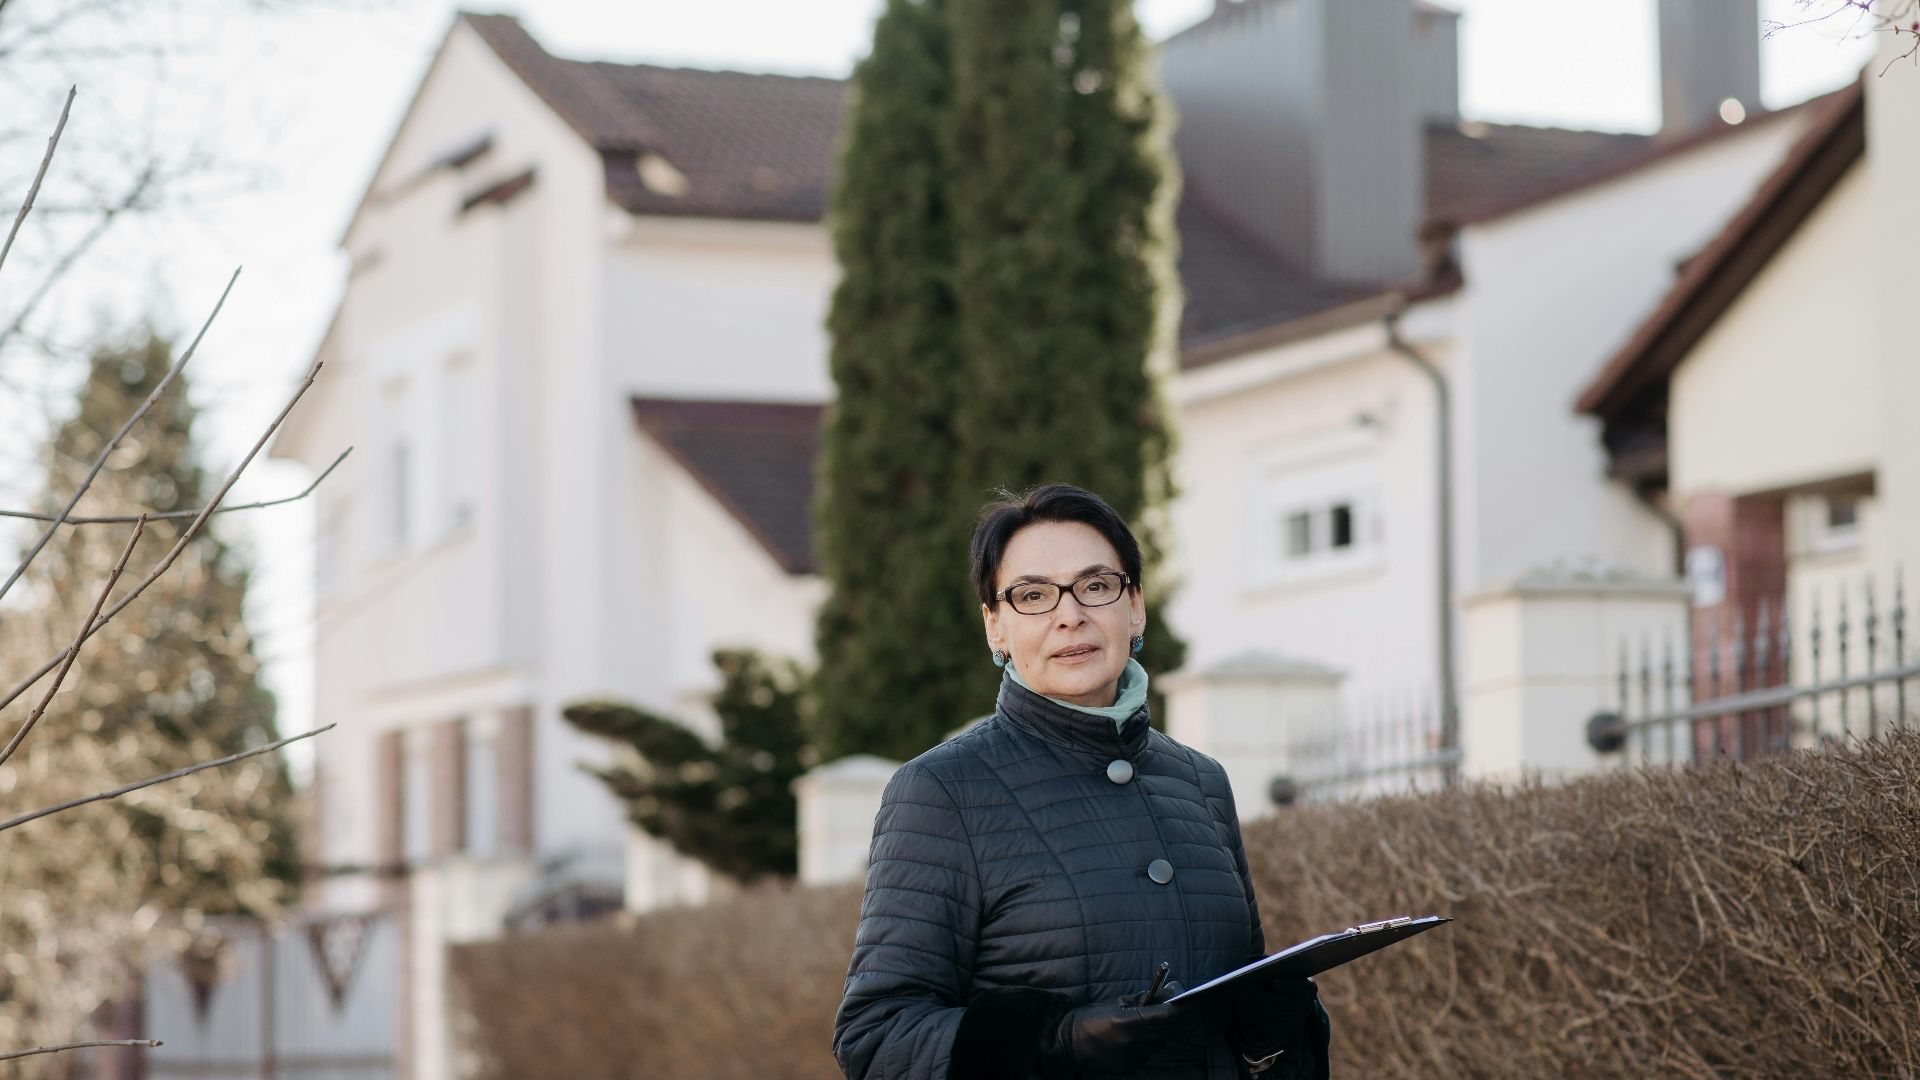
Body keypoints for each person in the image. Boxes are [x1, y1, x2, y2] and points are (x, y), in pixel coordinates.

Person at [833, 483, 1331, 1079]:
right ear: (995, 627)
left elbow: (1241, 1007)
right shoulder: (943, 790)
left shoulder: (1199, 781)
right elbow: (876, 1035)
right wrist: (1053, 1043)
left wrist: (1264, 1034)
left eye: (1097, 586)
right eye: (1033, 595)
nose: (1071, 615)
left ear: (1136, 606)